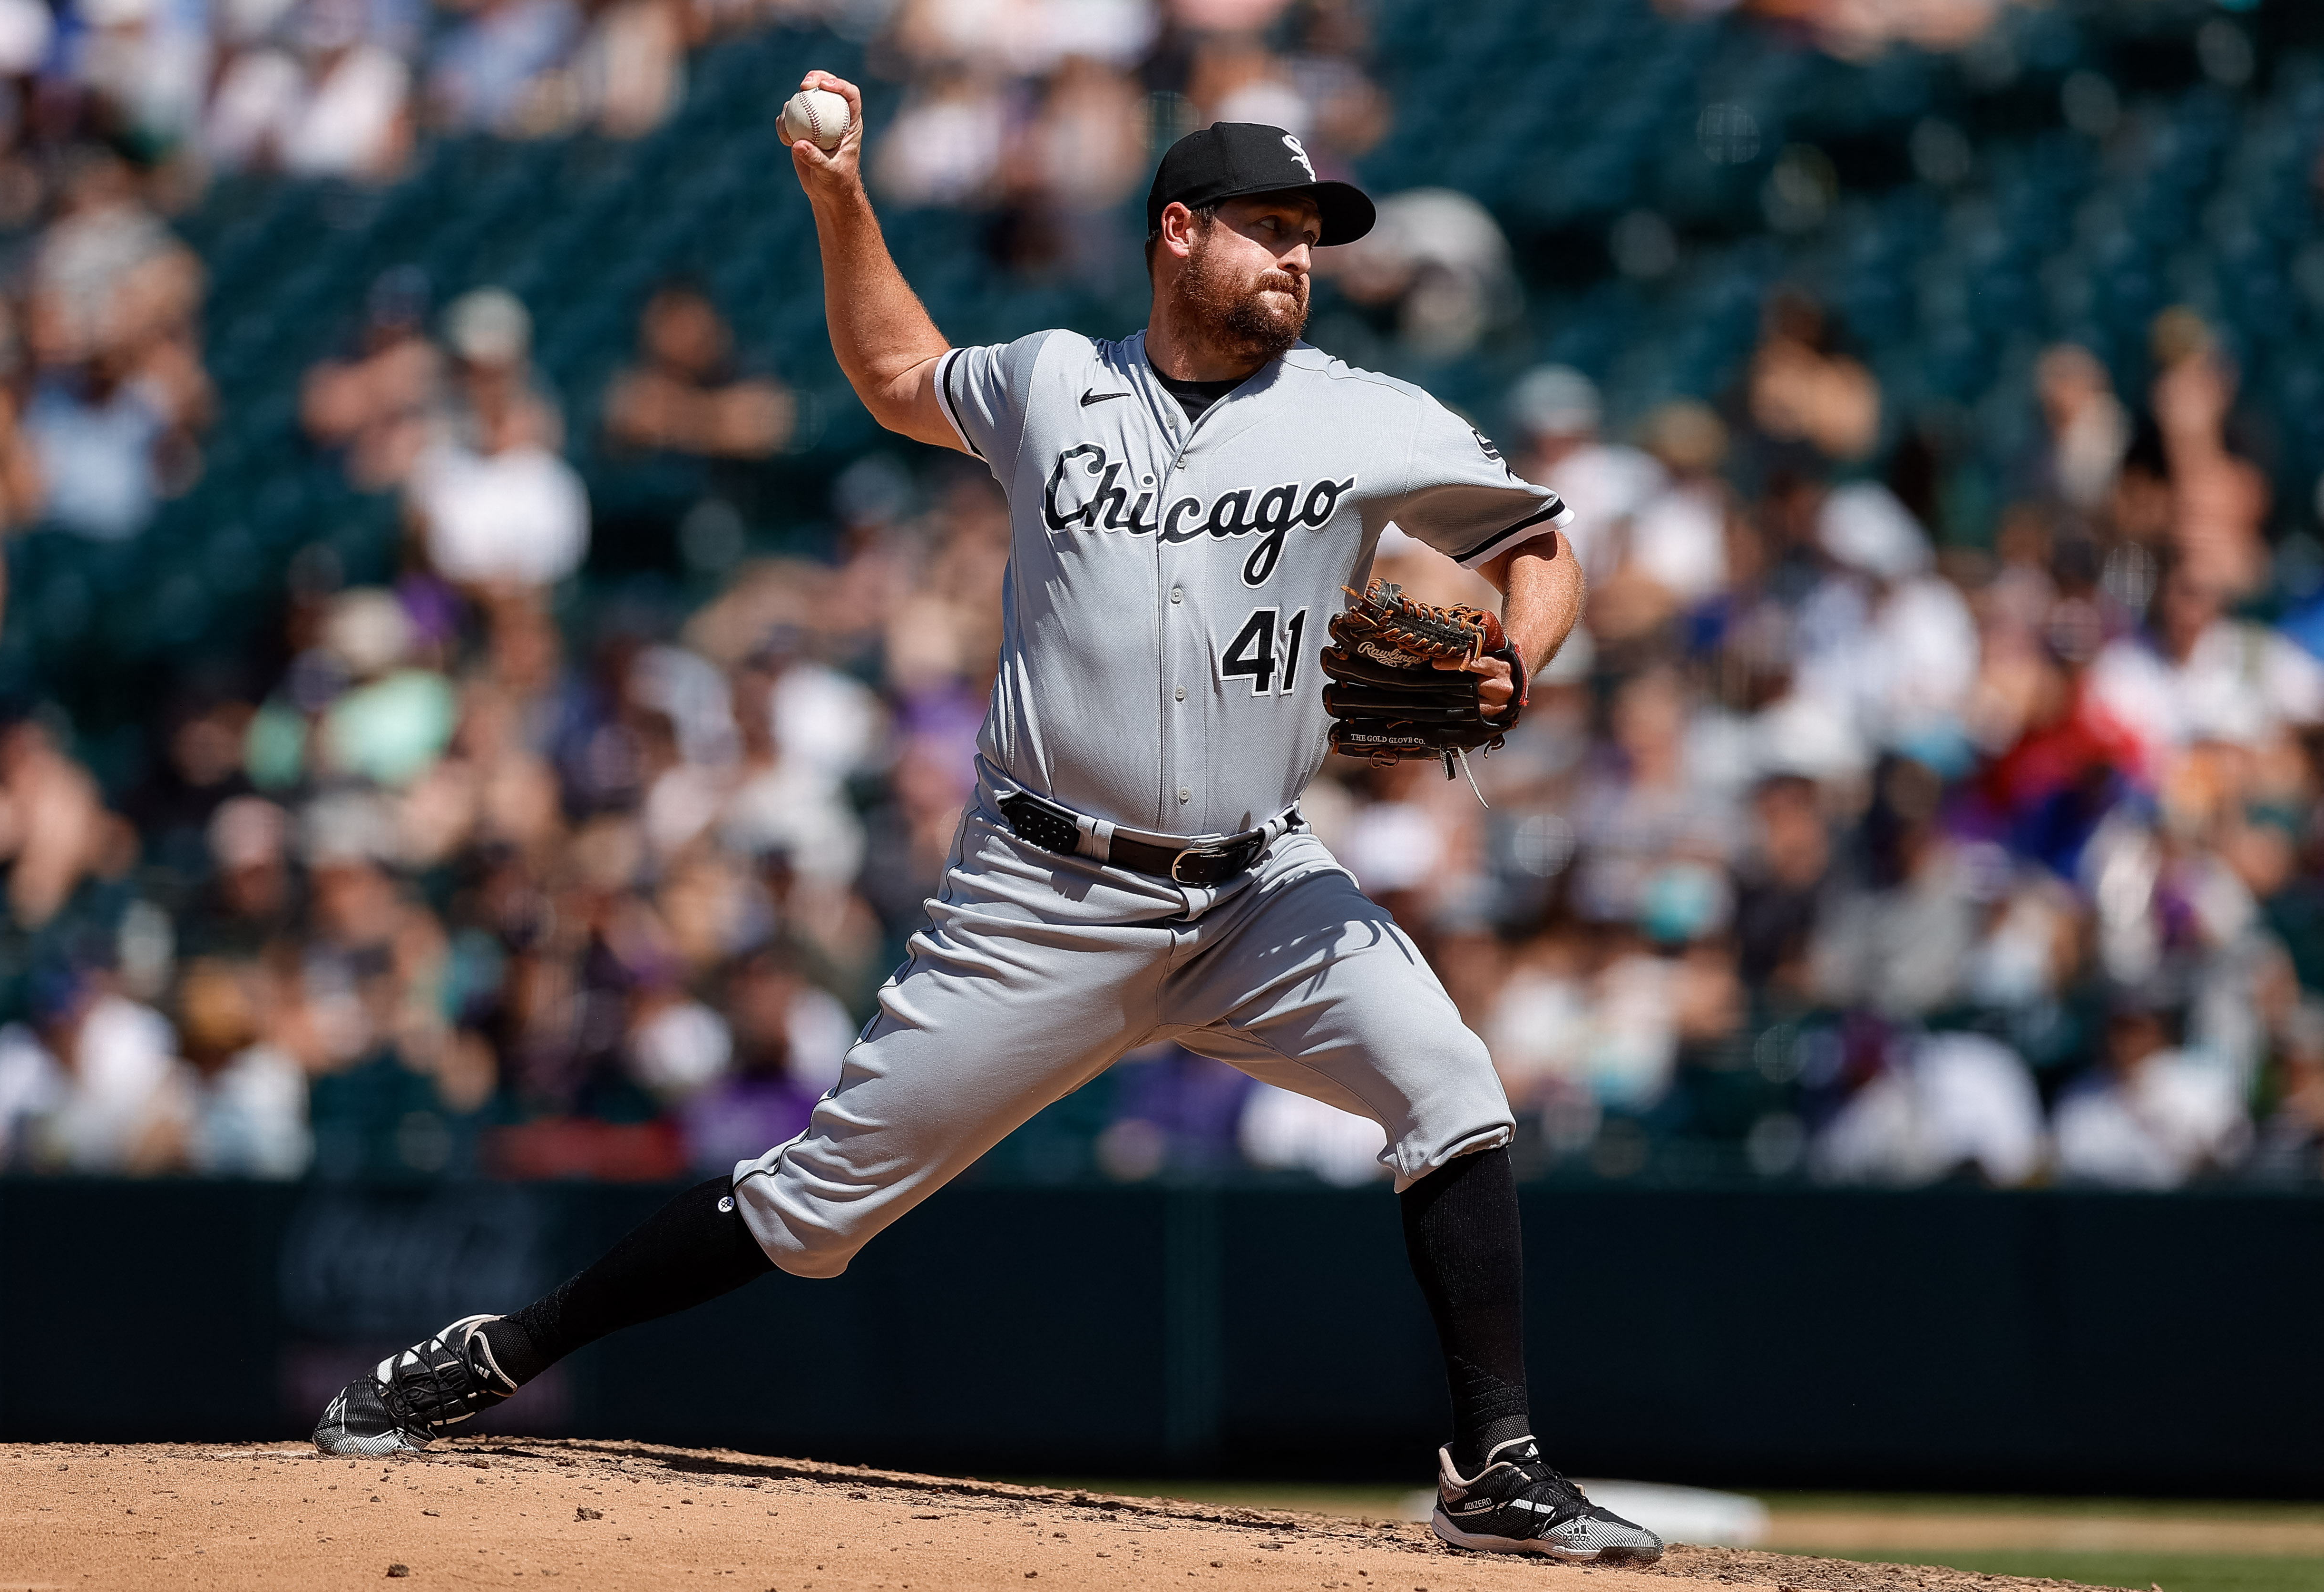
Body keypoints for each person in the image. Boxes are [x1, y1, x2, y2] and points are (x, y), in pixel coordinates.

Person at [311, 78, 1658, 1566]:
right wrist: (840, 197)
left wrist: (1518, 654)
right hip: (1040, 894)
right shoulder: (1050, 383)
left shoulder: (1365, 413)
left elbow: (1539, 542)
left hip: (1260, 888)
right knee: (811, 1208)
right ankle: (496, 1353)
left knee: (1451, 1087)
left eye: (1310, 236)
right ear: (1176, 233)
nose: (1296, 257)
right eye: (1267, 229)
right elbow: (896, 373)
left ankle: (1500, 1465)